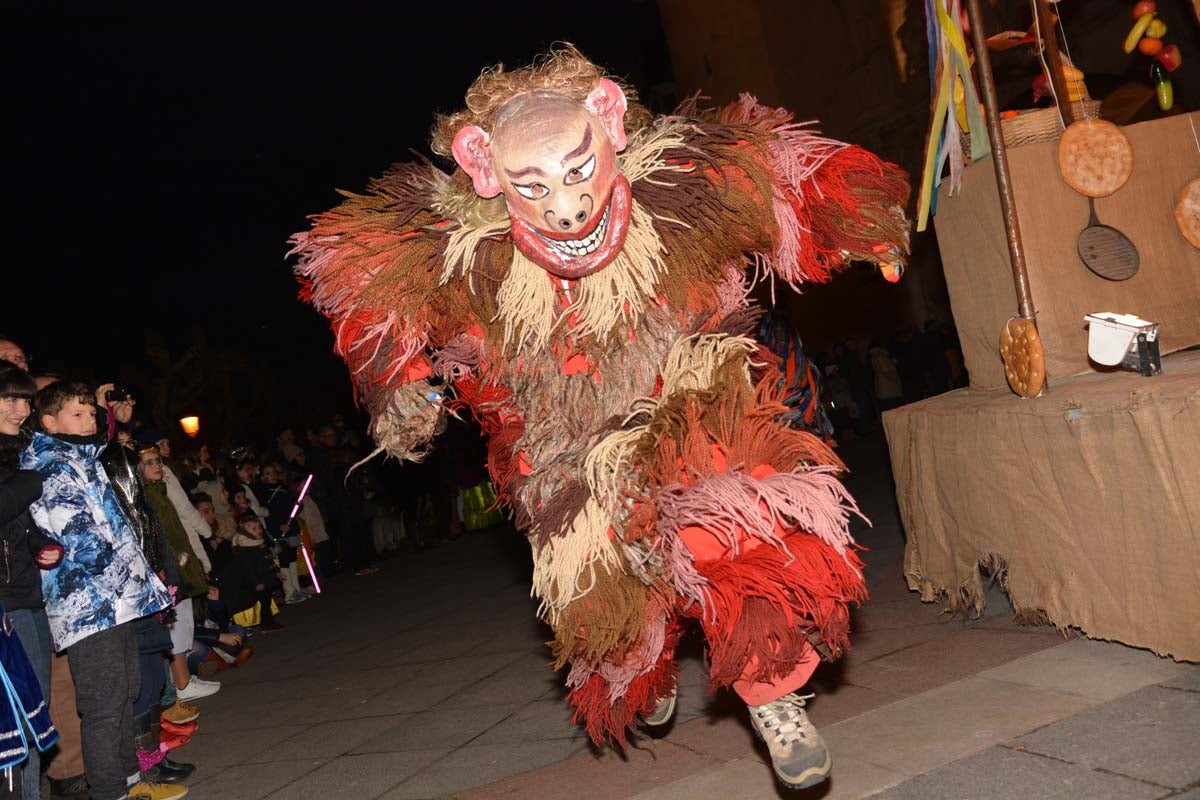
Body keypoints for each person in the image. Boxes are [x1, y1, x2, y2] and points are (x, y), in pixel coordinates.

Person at [291, 47, 910, 790]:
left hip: (683, 396)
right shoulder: (468, 255)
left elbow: (779, 168)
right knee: (607, 607)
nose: (566, 206)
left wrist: (856, 213)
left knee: (730, 524)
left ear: (611, 128)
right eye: (535, 186)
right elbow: (360, 278)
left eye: (578, 171)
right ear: (488, 173)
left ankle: (775, 695)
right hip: (562, 446)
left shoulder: (681, 187)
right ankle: (644, 661)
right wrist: (398, 381)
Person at [21, 381, 181, 800]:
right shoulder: (50, 465)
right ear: (49, 420)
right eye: (78, 414)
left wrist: (141, 583)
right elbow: (80, 537)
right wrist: (128, 581)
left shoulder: (83, 457)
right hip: (89, 605)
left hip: (117, 601)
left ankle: (131, 781)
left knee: (126, 690)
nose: (89, 419)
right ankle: (111, 792)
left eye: (91, 413)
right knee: (104, 703)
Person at [0, 362, 62, 798]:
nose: (21, 409)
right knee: (17, 723)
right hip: (7, 606)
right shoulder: (24, 466)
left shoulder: (13, 452)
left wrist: (41, 542)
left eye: (24, 399)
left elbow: (17, 520)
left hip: (26, 594)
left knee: (34, 717)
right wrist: (35, 478)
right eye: (9, 398)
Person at [140, 446, 222, 703]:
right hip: (169, 561)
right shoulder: (149, 495)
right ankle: (182, 683)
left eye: (158, 461)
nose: (157, 466)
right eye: (149, 462)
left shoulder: (159, 490)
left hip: (179, 558)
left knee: (184, 618)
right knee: (176, 621)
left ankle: (183, 680)